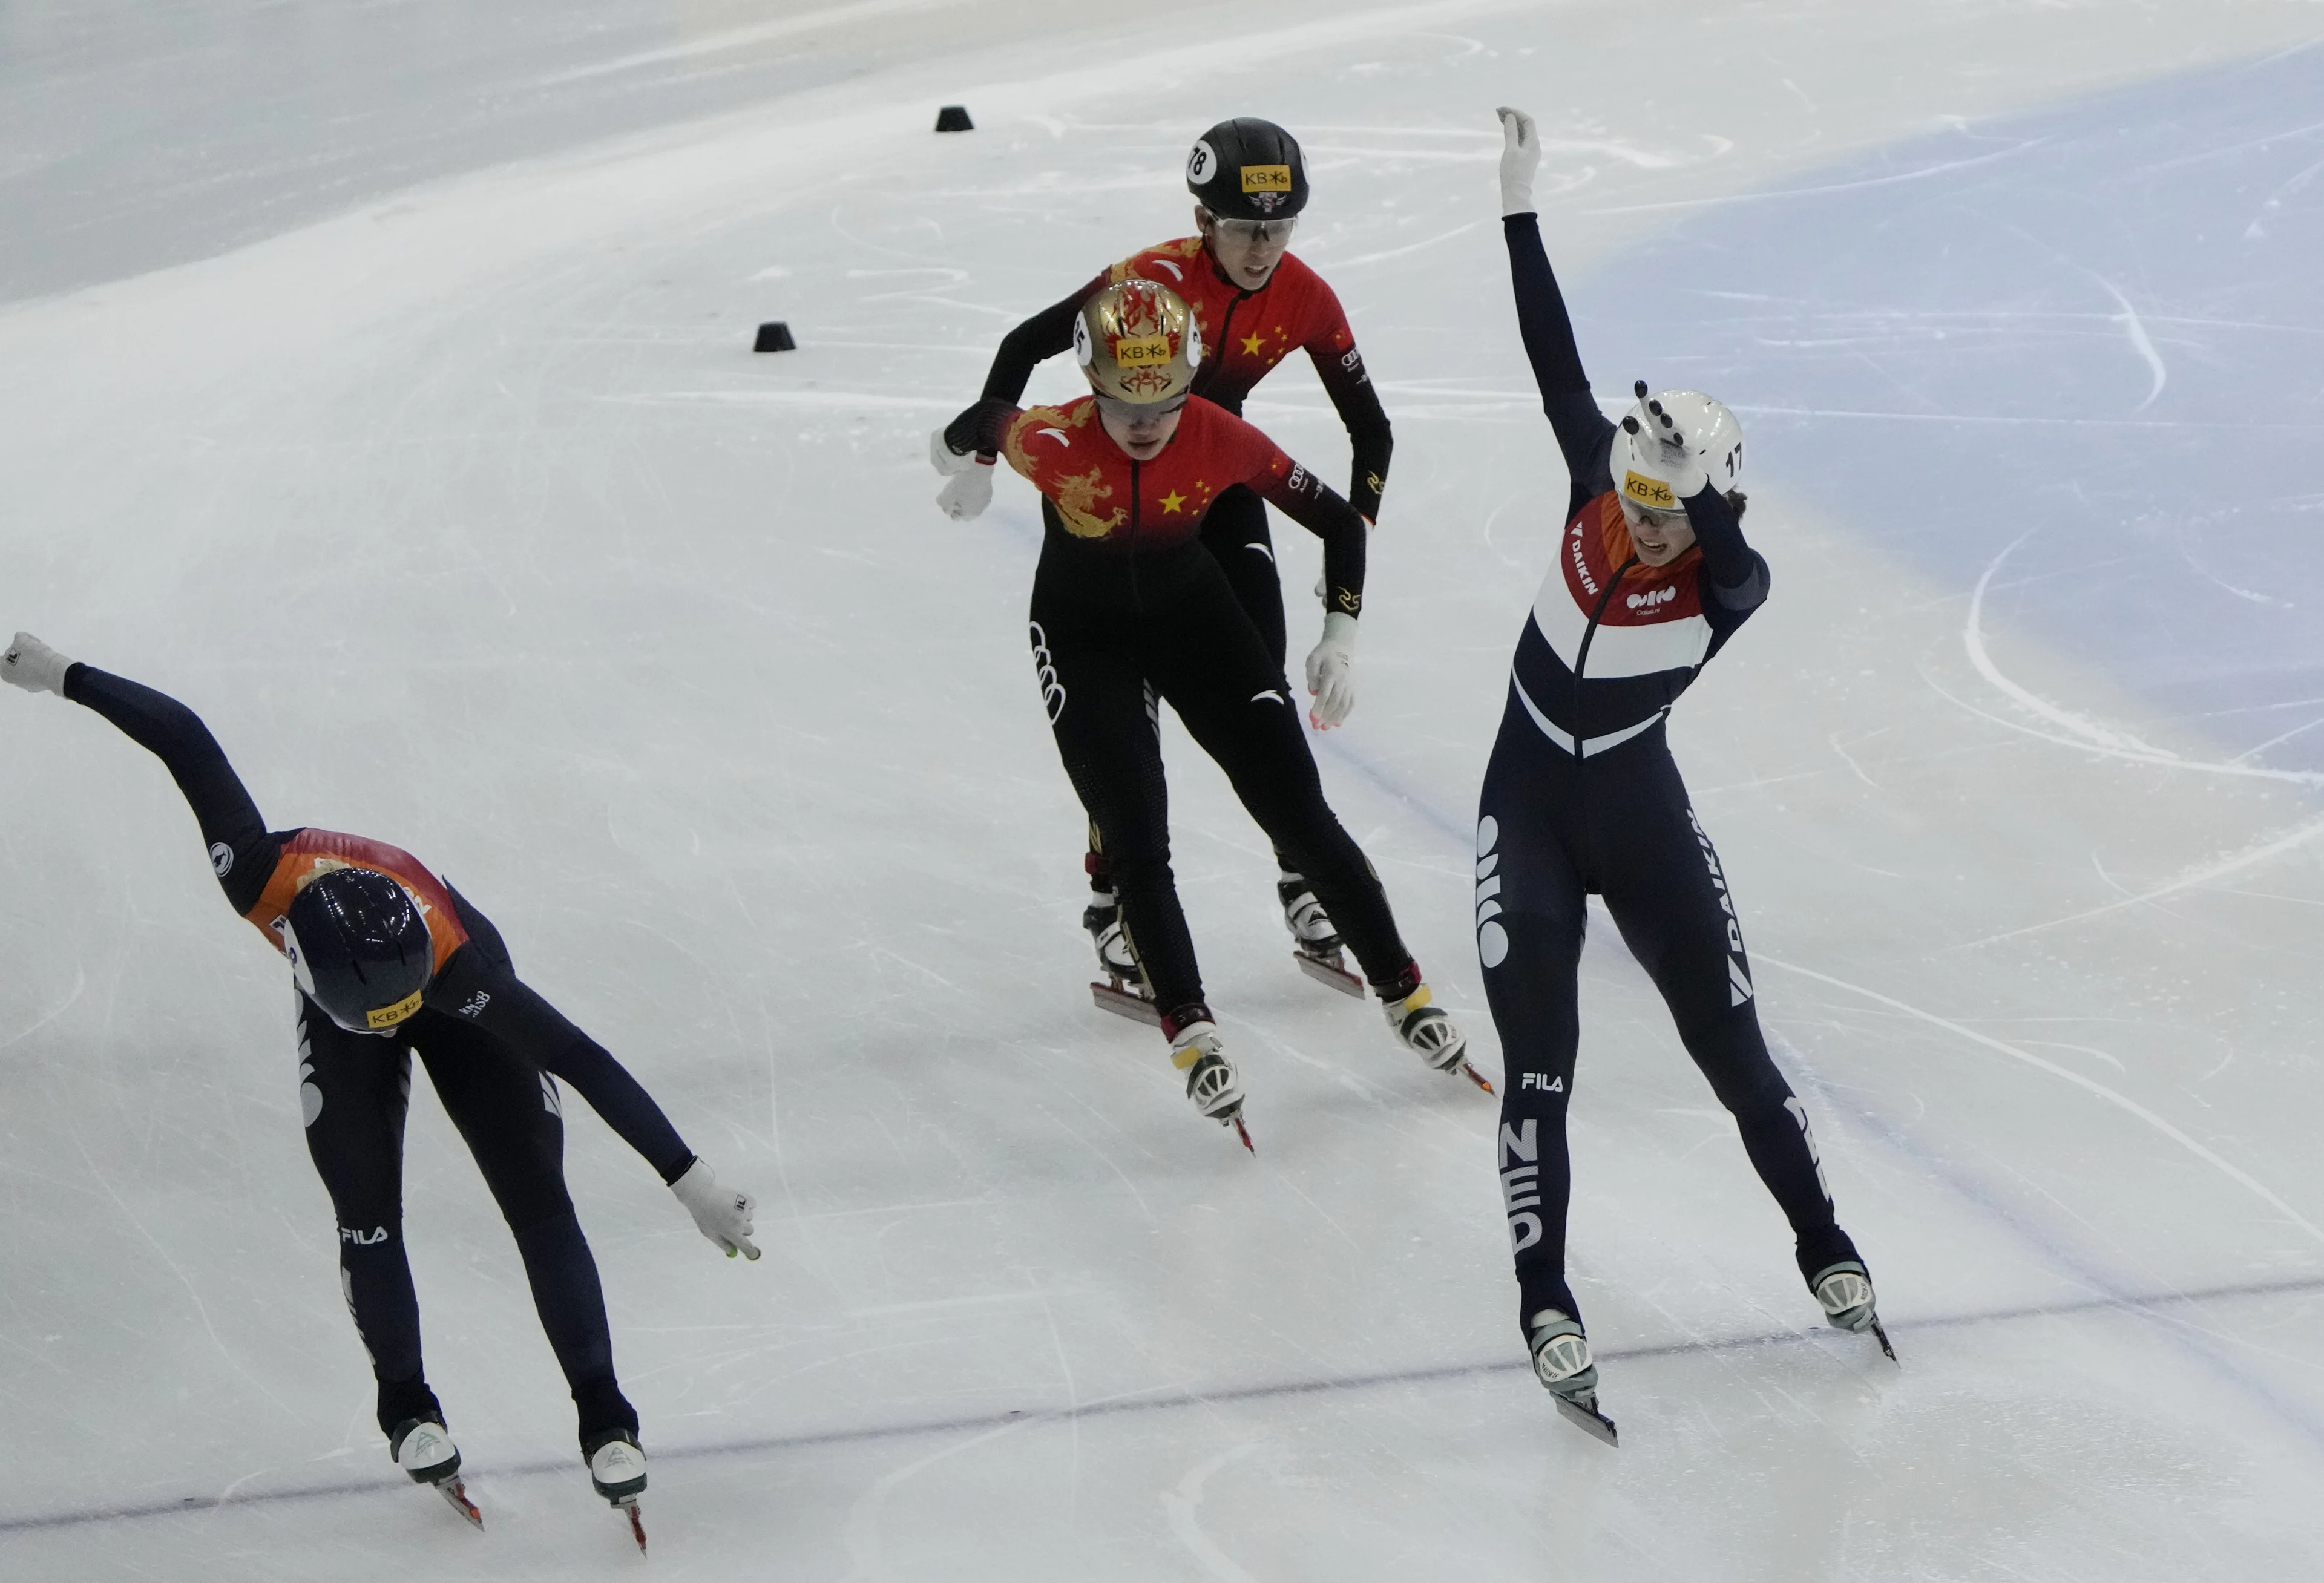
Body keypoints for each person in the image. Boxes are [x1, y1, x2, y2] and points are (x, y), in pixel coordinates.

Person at [1, 633, 760, 1528]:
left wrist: (691, 1180)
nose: (394, 1030)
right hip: (354, 991)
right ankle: (406, 1403)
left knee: (536, 1194)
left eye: (398, 1011)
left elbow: (579, 1057)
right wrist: (57, 673)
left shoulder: (459, 968)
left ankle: (605, 1412)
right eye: (379, 1020)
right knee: (364, 1210)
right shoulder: (256, 875)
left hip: (447, 978)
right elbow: (184, 739)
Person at [1475, 109, 1889, 1441]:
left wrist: (1693, 491)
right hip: (1529, 806)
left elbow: (1719, 543)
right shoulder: (1595, 494)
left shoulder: (1728, 586)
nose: (1638, 521)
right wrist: (1519, 205)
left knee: (1735, 1054)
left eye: (1666, 506)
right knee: (1542, 1065)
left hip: (1638, 817)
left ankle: (1823, 1242)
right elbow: (1554, 362)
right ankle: (1545, 1297)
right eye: (1632, 495)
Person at [933, 277, 1482, 1142]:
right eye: (1124, 406)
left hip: (1197, 618)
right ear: (1093, 386)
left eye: (1167, 404)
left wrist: (1341, 633)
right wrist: (966, 464)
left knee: (1300, 814)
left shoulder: (1220, 436)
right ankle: (1190, 1026)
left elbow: (1338, 522)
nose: (1147, 425)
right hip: (1087, 640)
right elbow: (977, 417)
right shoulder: (1049, 437)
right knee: (1135, 827)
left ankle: (1405, 989)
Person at [937, 117, 1392, 995]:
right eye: (1244, 227)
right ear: (1202, 216)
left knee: (1257, 686)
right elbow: (1023, 346)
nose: (1263, 248)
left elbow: (1370, 429)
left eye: (1280, 226)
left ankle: (1303, 876)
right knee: (1125, 720)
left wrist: (1351, 554)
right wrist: (989, 459)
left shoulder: (1307, 294)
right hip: (1120, 500)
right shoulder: (1146, 286)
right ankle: (1113, 904)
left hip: (1223, 487)